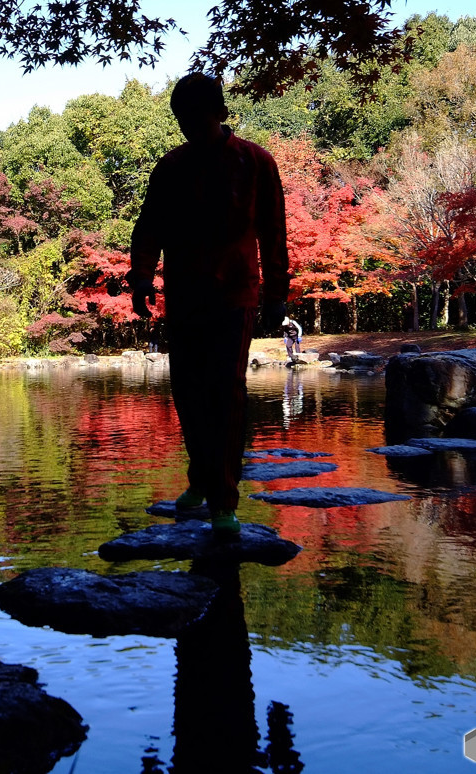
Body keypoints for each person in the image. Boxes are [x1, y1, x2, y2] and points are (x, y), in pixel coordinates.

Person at [126, 73, 290, 538]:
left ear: (220, 112)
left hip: (236, 294)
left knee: (227, 393)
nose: (187, 126)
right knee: (188, 393)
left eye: (195, 116)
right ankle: (201, 480)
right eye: (181, 118)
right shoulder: (171, 167)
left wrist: (278, 293)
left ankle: (223, 501)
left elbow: (274, 232)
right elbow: (149, 227)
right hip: (184, 297)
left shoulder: (256, 163)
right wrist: (141, 278)